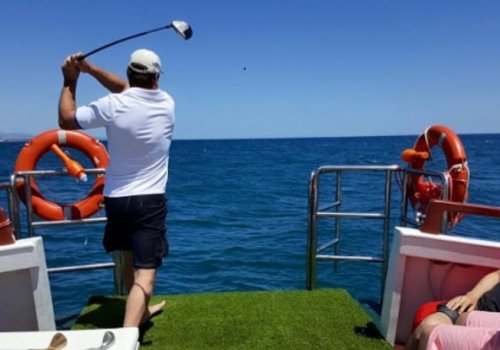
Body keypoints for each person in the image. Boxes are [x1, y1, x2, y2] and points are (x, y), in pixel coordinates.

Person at [58, 49, 175, 327]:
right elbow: (128, 89)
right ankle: (127, 337)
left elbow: (66, 119)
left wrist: (71, 79)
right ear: (156, 77)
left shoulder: (114, 104)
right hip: (149, 202)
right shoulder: (167, 102)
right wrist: (87, 69)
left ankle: (141, 312)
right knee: (145, 275)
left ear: (128, 73)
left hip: (117, 200)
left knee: (127, 258)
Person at [405, 269, 500, 350]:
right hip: (472, 306)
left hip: (491, 325)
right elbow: (497, 275)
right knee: (424, 327)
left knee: (428, 334)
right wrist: (472, 296)